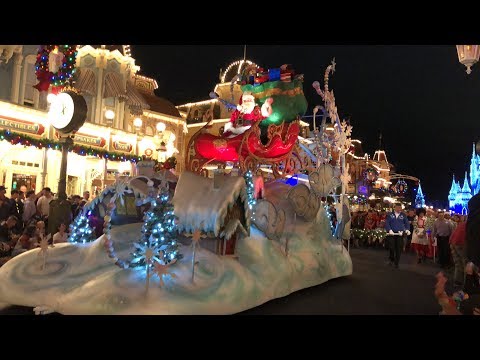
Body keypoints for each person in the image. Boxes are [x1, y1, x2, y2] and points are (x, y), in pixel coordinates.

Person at [385, 203, 411, 268]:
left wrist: (407, 229)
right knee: (391, 247)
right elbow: (387, 223)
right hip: (391, 234)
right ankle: (391, 258)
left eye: (400, 208)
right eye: (398, 207)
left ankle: (396, 263)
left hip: (400, 234)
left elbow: (407, 223)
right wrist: (389, 230)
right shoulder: (390, 215)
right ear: (395, 207)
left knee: (398, 248)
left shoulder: (403, 215)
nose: (400, 209)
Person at [450, 219, 467, 287]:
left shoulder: (463, 223)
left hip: (453, 242)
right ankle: (467, 284)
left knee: (458, 263)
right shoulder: (472, 224)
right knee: (466, 263)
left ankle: (458, 281)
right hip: (461, 244)